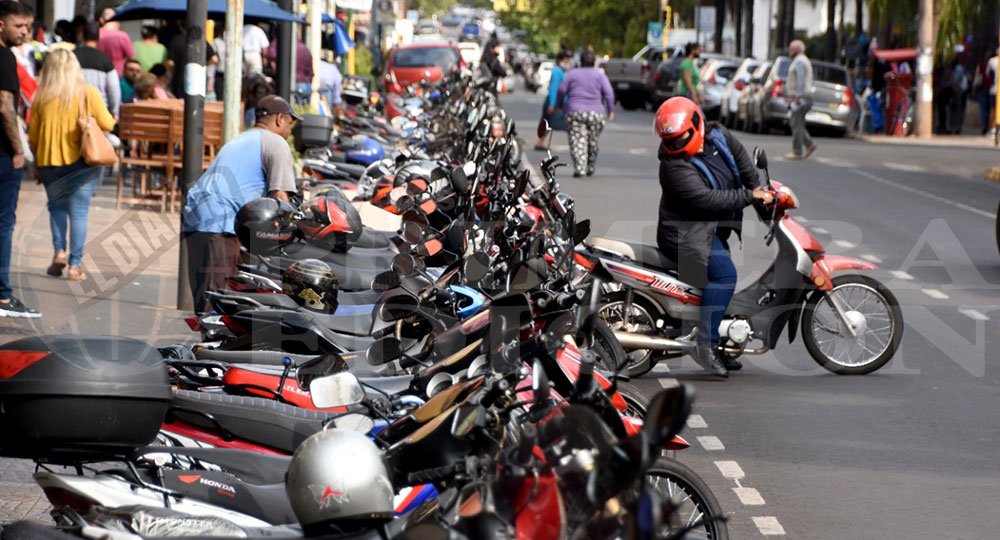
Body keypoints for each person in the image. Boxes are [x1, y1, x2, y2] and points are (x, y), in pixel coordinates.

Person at [653, 96, 774, 378]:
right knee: (725, 277)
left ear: (697, 124)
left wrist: (758, 189)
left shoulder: (718, 135)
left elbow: (743, 162)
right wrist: (749, 196)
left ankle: (718, 342)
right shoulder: (673, 167)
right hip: (685, 233)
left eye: (680, 138)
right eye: (669, 141)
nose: (674, 146)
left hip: (707, 229)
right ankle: (705, 345)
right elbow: (706, 199)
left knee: (719, 283)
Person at [182, 95, 299, 313]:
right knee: (219, 297)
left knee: (204, 293)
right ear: (280, 119)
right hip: (220, 218)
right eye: (289, 124)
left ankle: (206, 342)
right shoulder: (276, 143)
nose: (289, 131)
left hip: (196, 213)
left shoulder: (242, 139)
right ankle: (211, 345)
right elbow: (280, 199)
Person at [27, 48, 115, 283]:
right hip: (82, 162)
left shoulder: (41, 96)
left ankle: (59, 252)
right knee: (78, 212)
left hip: (48, 161)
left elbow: (33, 135)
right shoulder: (88, 93)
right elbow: (108, 123)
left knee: (56, 207)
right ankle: (74, 266)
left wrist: (37, 161)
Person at [0, 0, 39, 317]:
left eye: (28, 26)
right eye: (19, 26)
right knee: (4, 223)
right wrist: (17, 150)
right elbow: (5, 106)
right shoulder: (4, 57)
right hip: (1, 154)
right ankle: (2, 294)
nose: (25, 33)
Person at [557, 48, 614, 177]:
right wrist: (611, 110)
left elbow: (561, 90)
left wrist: (559, 105)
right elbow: (609, 93)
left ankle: (580, 167)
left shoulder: (572, 74)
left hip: (575, 111)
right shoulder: (600, 75)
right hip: (596, 113)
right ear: (594, 62)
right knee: (592, 140)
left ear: (581, 61)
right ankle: (590, 165)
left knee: (577, 139)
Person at [74, 21, 120, 117]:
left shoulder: (71, 57)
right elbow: (114, 88)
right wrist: (114, 112)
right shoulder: (105, 60)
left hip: (74, 108)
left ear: (82, 35)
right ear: (99, 37)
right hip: (99, 111)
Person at [784, 39, 816, 160]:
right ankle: (809, 144)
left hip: (802, 97)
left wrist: (797, 97)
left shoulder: (800, 61)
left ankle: (797, 151)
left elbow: (800, 80)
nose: (789, 51)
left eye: (791, 48)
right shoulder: (800, 60)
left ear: (797, 50)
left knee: (796, 123)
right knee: (797, 123)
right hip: (802, 96)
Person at [534, 50, 570, 150]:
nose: (567, 63)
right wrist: (552, 104)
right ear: (560, 60)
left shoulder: (560, 71)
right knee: (559, 123)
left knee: (548, 123)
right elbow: (554, 88)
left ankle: (539, 142)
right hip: (553, 102)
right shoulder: (557, 71)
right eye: (566, 60)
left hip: (555, 102)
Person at [96, 7, 133, 76]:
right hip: (118, 74)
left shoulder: (96, 34)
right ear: (117, 21)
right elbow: (131, 57)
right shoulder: (123, 36)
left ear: (101, 20)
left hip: (99, 73)